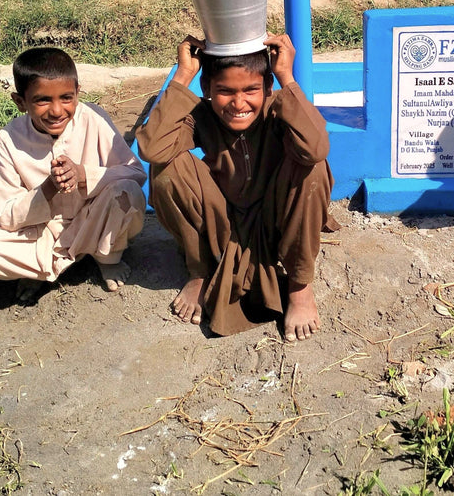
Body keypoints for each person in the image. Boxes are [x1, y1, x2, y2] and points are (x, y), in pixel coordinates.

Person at [136, 33, 335, 340]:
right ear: (207, 89)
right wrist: (184, 75)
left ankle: (299, 285)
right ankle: (200, 270)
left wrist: (286, 76)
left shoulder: (279, 110)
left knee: (312, 168)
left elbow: (317, 148)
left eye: (251, 90)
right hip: (223, 221)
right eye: (225, 91)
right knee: (166, 166)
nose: (238, 103)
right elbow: (151, 149)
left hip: (275, 220)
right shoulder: (201, 116)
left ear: (267, 87)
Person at [0, 47, 146, 296]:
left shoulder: (93, 118)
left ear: (78, 93)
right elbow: (7, 215)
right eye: (42, 100)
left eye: (66, 98)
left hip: (92, 221)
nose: (57, 110)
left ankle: (107, 257)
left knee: (128, 191)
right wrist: (48, 187)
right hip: (42, 233)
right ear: (20, 102)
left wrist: (83, 175)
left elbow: (136, 173)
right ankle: (43, 267)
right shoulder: (8, 138)